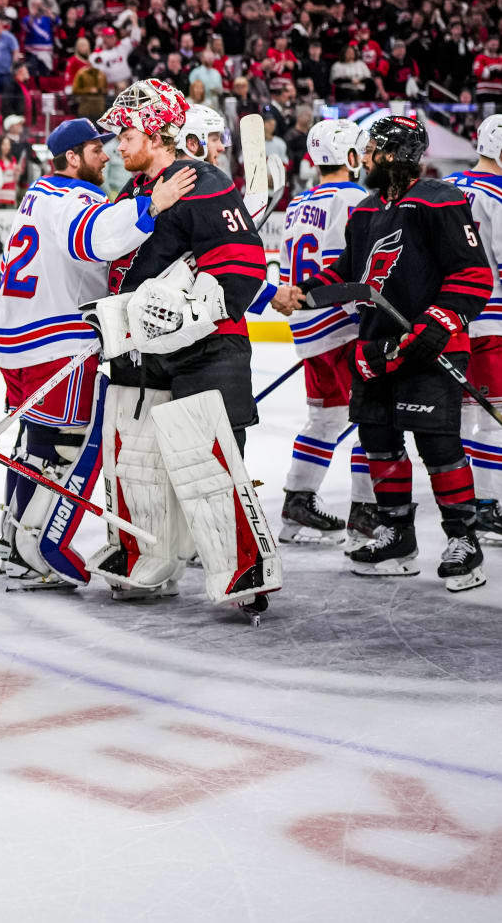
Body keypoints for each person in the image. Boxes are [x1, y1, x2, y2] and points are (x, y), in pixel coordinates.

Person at [274, 115, 491, 593]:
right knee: (379, 441)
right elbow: (348, 273)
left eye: (371, 148)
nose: (365, 156)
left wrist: (437, 324)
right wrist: (305, 293)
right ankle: (397, 536)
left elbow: (473, 275)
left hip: (429, 346)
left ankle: (463, 539)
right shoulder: (367, 210)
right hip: (377, 348)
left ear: (393, 154)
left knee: (439, 444)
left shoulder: (441, 200)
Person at [88, 79, 280, 616]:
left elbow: (242, 268)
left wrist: (185, 312)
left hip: (207, 351)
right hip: (140, 355)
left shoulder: (204, 182)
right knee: (135, 466)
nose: (117, 146)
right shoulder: (134, 195)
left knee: (210, 469)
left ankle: (245, 567)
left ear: (155, 131)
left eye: (126, 134)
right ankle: (145, 557)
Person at [0, 118, 196, 590]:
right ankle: (38, 548)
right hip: (55, 340)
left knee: (33, 443)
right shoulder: (74, 198)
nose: (106, 156)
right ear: (72, 158)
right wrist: (155, 203)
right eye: (96, 149)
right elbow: (96, 241)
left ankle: (11, 545)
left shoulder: (37, 192)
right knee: (67, 447)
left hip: (12, 337)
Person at [273, 119, 375, 544]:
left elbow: (283, 270)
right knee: (375, 416)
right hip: (344, 326)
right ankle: (369, 512)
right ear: (351, 157)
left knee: (326, 417)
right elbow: (346, 265)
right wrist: (366, 321)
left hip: (308, 327)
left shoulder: (297, 202)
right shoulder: (354, 197)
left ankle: (297, 502)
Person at [443, 113, 502, 550]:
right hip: (490, 319)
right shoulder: (498, 196)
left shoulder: (447, 187)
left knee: (462, 416)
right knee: (494, 419)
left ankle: (461, 502)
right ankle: (485, 505)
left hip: (447, 322)